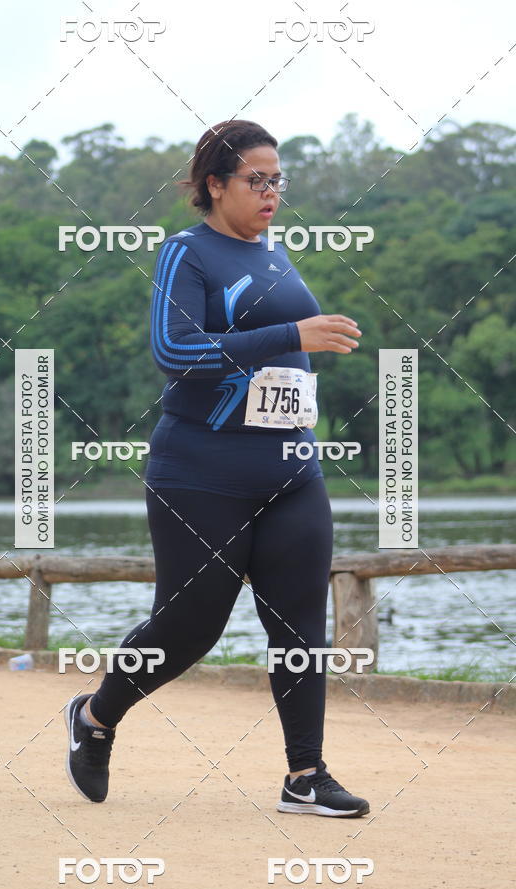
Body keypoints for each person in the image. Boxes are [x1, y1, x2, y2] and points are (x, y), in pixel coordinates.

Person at [64, 119, 369, 817]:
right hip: (200, 469)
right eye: (256, 180)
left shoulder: (276, 252)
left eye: (277, 180)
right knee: (188, 628)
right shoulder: (187, 253)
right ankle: (95, 717)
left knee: (300, 624)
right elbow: (176, 351)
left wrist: (297, 353)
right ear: (215, 185)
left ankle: (305, 775)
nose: (271, 193)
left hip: (292, 467)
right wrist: (293, 334)